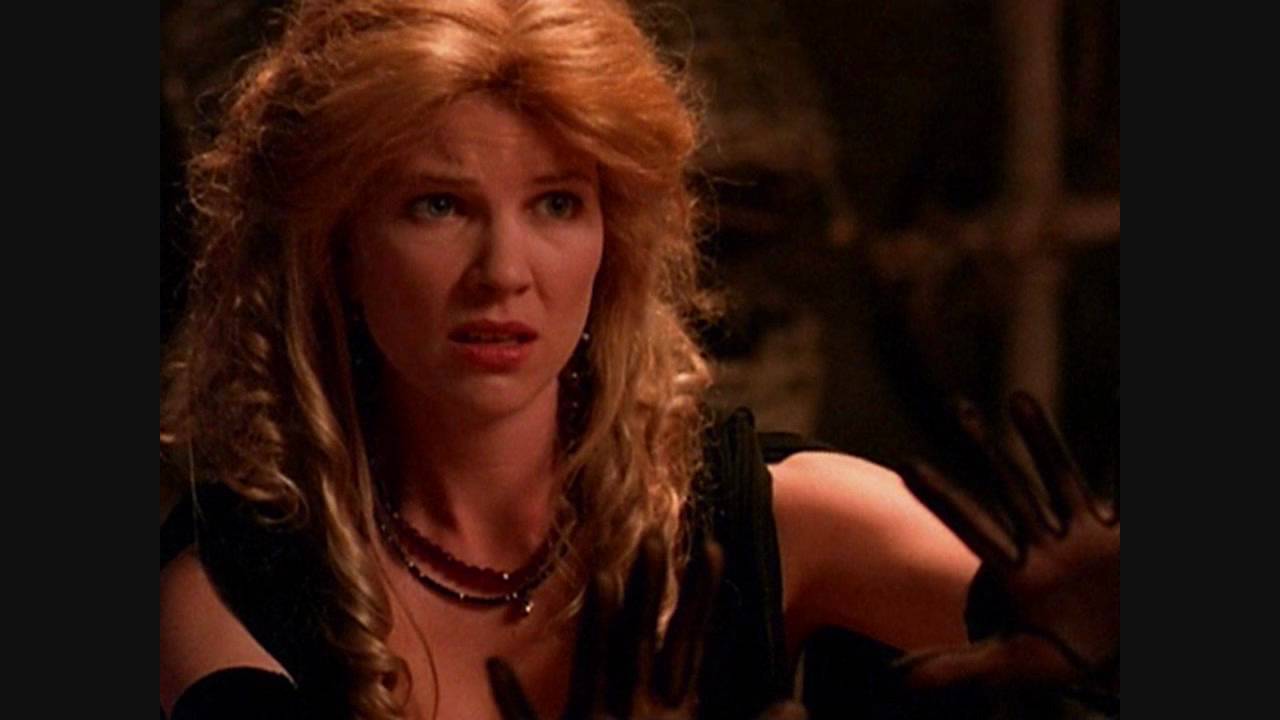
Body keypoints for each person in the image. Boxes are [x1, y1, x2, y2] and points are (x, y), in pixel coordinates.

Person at [159, 1, 1118, 719]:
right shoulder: (230, 591)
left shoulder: (776, 519)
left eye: (556, 204)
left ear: (611, 242)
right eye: (438, 206)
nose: (504, 273)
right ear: (337, 250)